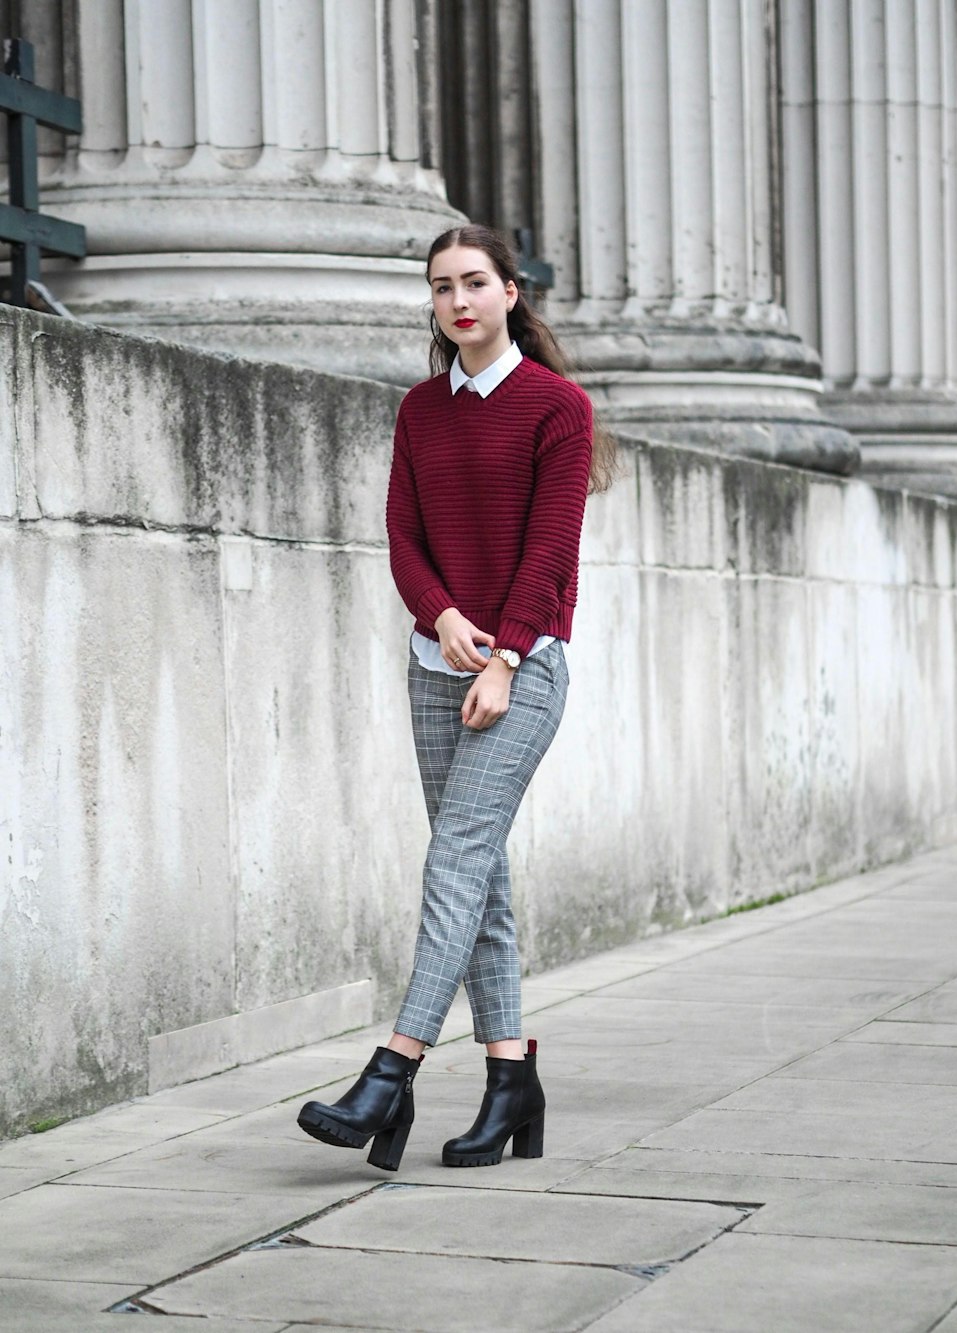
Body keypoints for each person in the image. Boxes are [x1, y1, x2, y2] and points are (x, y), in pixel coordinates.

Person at [297, 223, 617, 1172]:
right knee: (480, 881)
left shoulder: (558, 407)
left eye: (475, 281)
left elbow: (551, 549)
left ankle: (390, 1070)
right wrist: (439, 618)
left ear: (512, 292)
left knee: (456, 859)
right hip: (434, 664)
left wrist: (506, 658)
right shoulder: (419, 411)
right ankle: (512, 1077)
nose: (458, 300)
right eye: (441, 287)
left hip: (523, 668)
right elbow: (401, 535)